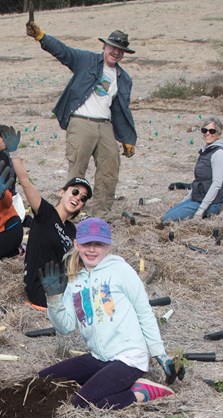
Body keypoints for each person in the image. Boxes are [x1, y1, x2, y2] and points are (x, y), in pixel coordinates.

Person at [38, 217, 183, 409]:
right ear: (76, 244)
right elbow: (65, 327)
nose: (91, 249)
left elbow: (144, 312)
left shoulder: (121, 270)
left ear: (107, 246)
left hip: (129, 358)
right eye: (86, 243)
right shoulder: (75, 280)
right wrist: (54, 300)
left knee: (82, 404)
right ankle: (106, 382)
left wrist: (160, 354)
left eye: (98, 244)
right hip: (99, 357)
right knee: (42, 380)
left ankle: (140, 392)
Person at [26, 21, 137, 217]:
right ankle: (67, 213)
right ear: (105, 46)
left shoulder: (124, 78)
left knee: (110, 170)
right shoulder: (86, 60)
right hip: (81, 121)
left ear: (124, 54)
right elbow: (63, 52)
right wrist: (41, 37)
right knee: (77, 169)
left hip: (105, 125)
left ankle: (100, 215)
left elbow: (121, 110)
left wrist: (127, 138)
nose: (116, 52)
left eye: (121, 50)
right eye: (113, 47)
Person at [12, 157, 91, 309]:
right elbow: (25, 182)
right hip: (43, 289)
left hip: (63, 284)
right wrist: (14, 154)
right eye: (74, 191)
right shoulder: (45, 213)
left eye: (83, 198)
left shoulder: (71, 230)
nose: (77, 198)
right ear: (62, 192)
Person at [161, 117, 223, 223]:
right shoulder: (206, 151)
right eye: (204, 130)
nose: (207, 133)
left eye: (212, 131)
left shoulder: (218, 153)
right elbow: (199, 181)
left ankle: (208, 215)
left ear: (218, 134)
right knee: (166, 216)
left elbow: (217, 184)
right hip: (198, 197)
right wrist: (185, 201)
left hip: (211, 203)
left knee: (166, 220)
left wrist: (201, 210)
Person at [0, 126, 23, 260]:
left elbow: (8, 200)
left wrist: (2, 195)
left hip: (9, 228)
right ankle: (14, 252)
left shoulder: (3, 159)